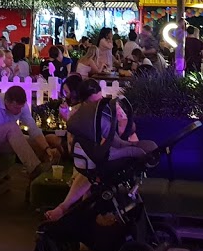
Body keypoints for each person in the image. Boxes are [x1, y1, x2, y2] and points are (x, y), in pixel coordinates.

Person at [45, 79, 156, 221]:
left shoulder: (111, 107)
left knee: (95, 171)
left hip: (116, 150)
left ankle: (70, 212)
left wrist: (122, 124)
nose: (99, 104)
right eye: (93, 102)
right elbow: (75, 147)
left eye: (100, 99)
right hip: (91, 157)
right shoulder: (78, 116)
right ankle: (74, 218)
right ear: (84, 102)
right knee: (89, 172)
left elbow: (128, 130)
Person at [0, 85, 62, 177]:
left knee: (33, 141)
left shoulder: (21, 107)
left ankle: (49, 162)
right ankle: (34, 169)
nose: (19, 111)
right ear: (6, 102)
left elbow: (33, 128)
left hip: (4, 140)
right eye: (16, 108)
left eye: (21, 107)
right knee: (13, 127)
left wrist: (46, 148)